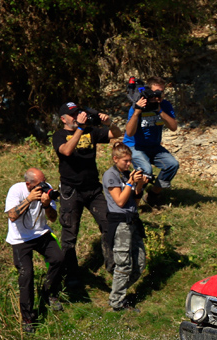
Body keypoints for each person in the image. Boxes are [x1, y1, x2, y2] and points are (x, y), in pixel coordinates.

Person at [51, 102, 115, 287]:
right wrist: (79, 128)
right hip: (71, 191)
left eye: (79, 113)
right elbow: (67, 150)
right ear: (64, 119)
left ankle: (112, 264)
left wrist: (109, 123)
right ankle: (71, 274)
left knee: (109, 223)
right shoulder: (60, 135)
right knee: (70, 234)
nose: (79, 116)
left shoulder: (91, 131)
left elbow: (117, 134)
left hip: (93, 188)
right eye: (73, 115)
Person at [4, 168, 66, 332]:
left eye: (44, 181)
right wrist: (29, 200)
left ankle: (49, 293)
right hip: (20, 239)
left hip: (41, 233)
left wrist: (46, 205)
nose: (43, 186)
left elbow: (53, 218)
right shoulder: (16, 190)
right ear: (28, 184)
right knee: (27, 275)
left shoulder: (47, 189)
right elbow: (11, 216)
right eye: (39, 184)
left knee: (58, 258)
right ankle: (28, 319)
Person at [103, 142, 150, 311]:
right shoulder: (111, 175)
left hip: (133, 221)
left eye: (130, 161)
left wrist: (140, 185)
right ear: (115, 159)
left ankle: (118, 292)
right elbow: (121, 201)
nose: (129, 164)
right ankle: (116, 302)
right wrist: (130, 182)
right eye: (125, 161)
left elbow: (134, 202)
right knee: (124, 265)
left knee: (139, 263)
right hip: (120, 223)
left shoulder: (126, 174)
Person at [124, 76, 179, 206]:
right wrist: (137, 112)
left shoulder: (164, 105)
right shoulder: (138, 104)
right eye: (155, 92)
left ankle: (153, 196)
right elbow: (129, 132)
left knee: (172, 164)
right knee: (146, 170)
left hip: (154, 146)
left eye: (161, 92)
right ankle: (133, 198)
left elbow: (173, 127)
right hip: (135, 146)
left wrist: (159, 110)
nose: (157, 95)